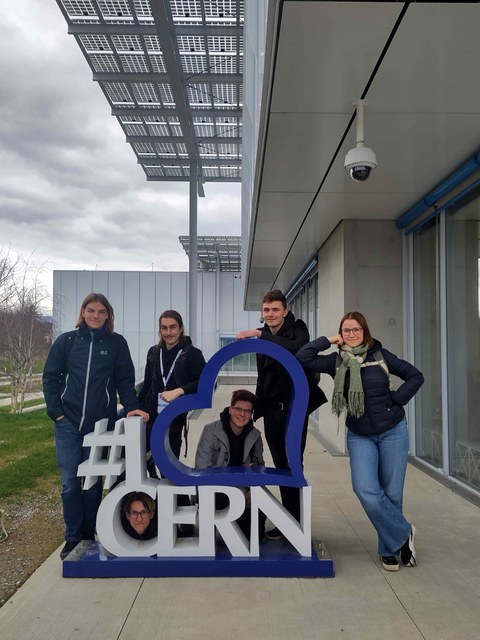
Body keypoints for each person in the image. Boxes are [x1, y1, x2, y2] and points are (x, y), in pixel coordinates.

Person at [296, 311, 424, 572]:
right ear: (341, 334)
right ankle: (405, 531)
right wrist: (328, 340)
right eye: (346, 330)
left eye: (356, 330)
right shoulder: (335, 361)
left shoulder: (381, 356)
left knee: (392, 493)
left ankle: (390, 550)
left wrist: (396, 400)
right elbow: (303, 357)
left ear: (365, 332)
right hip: (359, 433)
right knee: (365, 490)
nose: (351, 334)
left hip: (393, 431)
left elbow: (415, 376)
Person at [43, 293, 149, 560]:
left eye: (101, 312)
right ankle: (72, 536)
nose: (96, 316)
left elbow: (125, 379)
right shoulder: (66, 341)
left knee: (92, 482)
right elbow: (50, 377)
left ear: (108, 315)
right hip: (67, 423)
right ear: (83, 312)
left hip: (100, 425)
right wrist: (56, 413)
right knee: (69, 482)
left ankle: (88, 534)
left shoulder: (116, 343)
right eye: (91, 310)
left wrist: (131, 405)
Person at [236, 290, 326, 540]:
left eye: (275, 310)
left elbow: (296, 349)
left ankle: (296, 522)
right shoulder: (263, 336)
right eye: (266, 310)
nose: (270, 314)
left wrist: (259, 334)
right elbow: (262, 373)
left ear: (284, 311)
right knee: (281, 465)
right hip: (272, 411)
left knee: (294, 464)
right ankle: (290, 520)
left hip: (294, 412)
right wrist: (256, 406)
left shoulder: (298, 328)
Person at [195, 389, 265, 540]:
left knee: (254, 537)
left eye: (247, 411)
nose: (242, 414)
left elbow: (260, 471)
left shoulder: (255, 436)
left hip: (242, 493)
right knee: (217, 543)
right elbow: (202, 469)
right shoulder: (210, 431)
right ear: (231, 409)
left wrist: (253, 490)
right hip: (215, 490)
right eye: (239, 409)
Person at [138, 309, 206, 464]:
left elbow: (203, 383)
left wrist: (180, 390)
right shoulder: (154, 352)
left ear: (180, 328)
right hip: (150, 419)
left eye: (172, 327)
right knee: (136, 461)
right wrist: (135, 407)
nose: (168, 332)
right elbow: (147, 384)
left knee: (168, 469)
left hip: (174, 421)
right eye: (164, 328)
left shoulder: (192, 354)